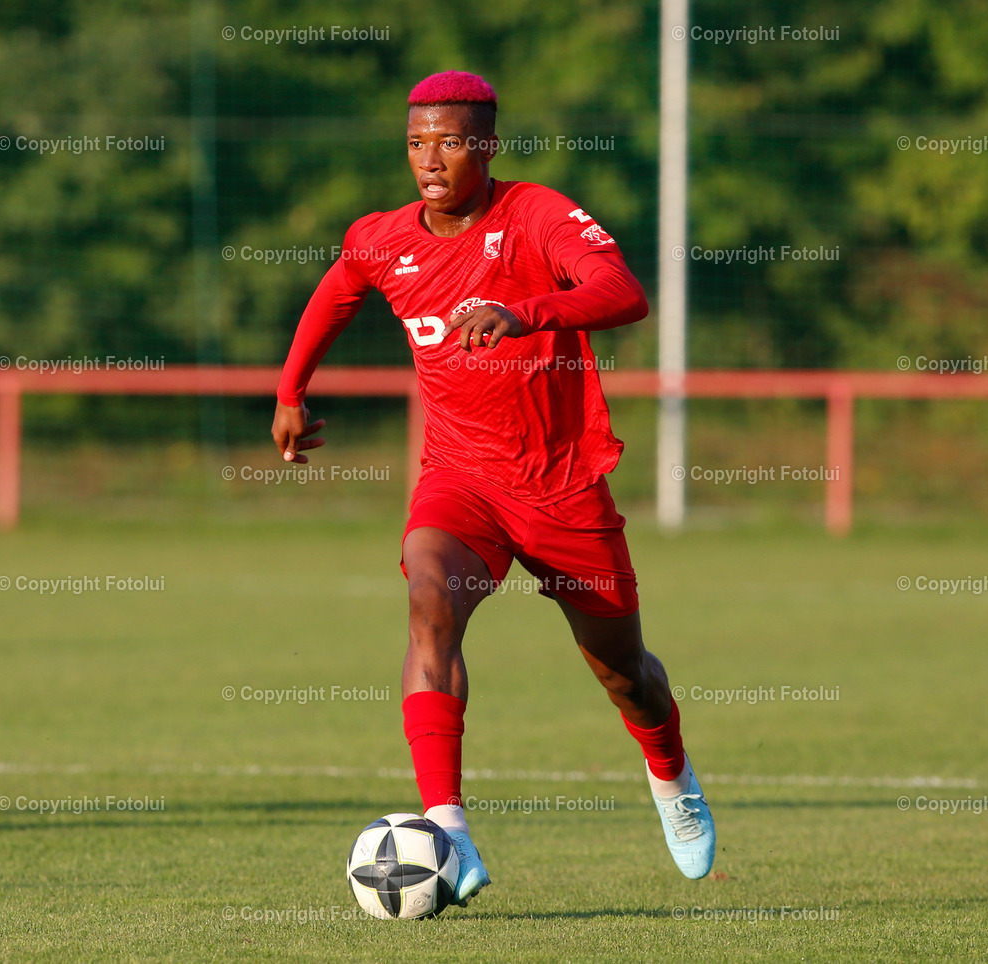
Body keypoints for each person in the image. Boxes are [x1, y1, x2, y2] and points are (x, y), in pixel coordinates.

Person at [272, 70, 714, 906]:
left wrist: (529, 312)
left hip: (561, 488)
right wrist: (290, 393)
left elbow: (625, 295)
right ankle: (453, 832)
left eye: (449, 140)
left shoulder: (539, 215)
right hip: (460, 482)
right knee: (429, 601)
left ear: (486, 146)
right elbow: (334, 296)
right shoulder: (382, 238)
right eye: (415, 142)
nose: (429, 159)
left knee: (624, 673)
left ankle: (672, 774)